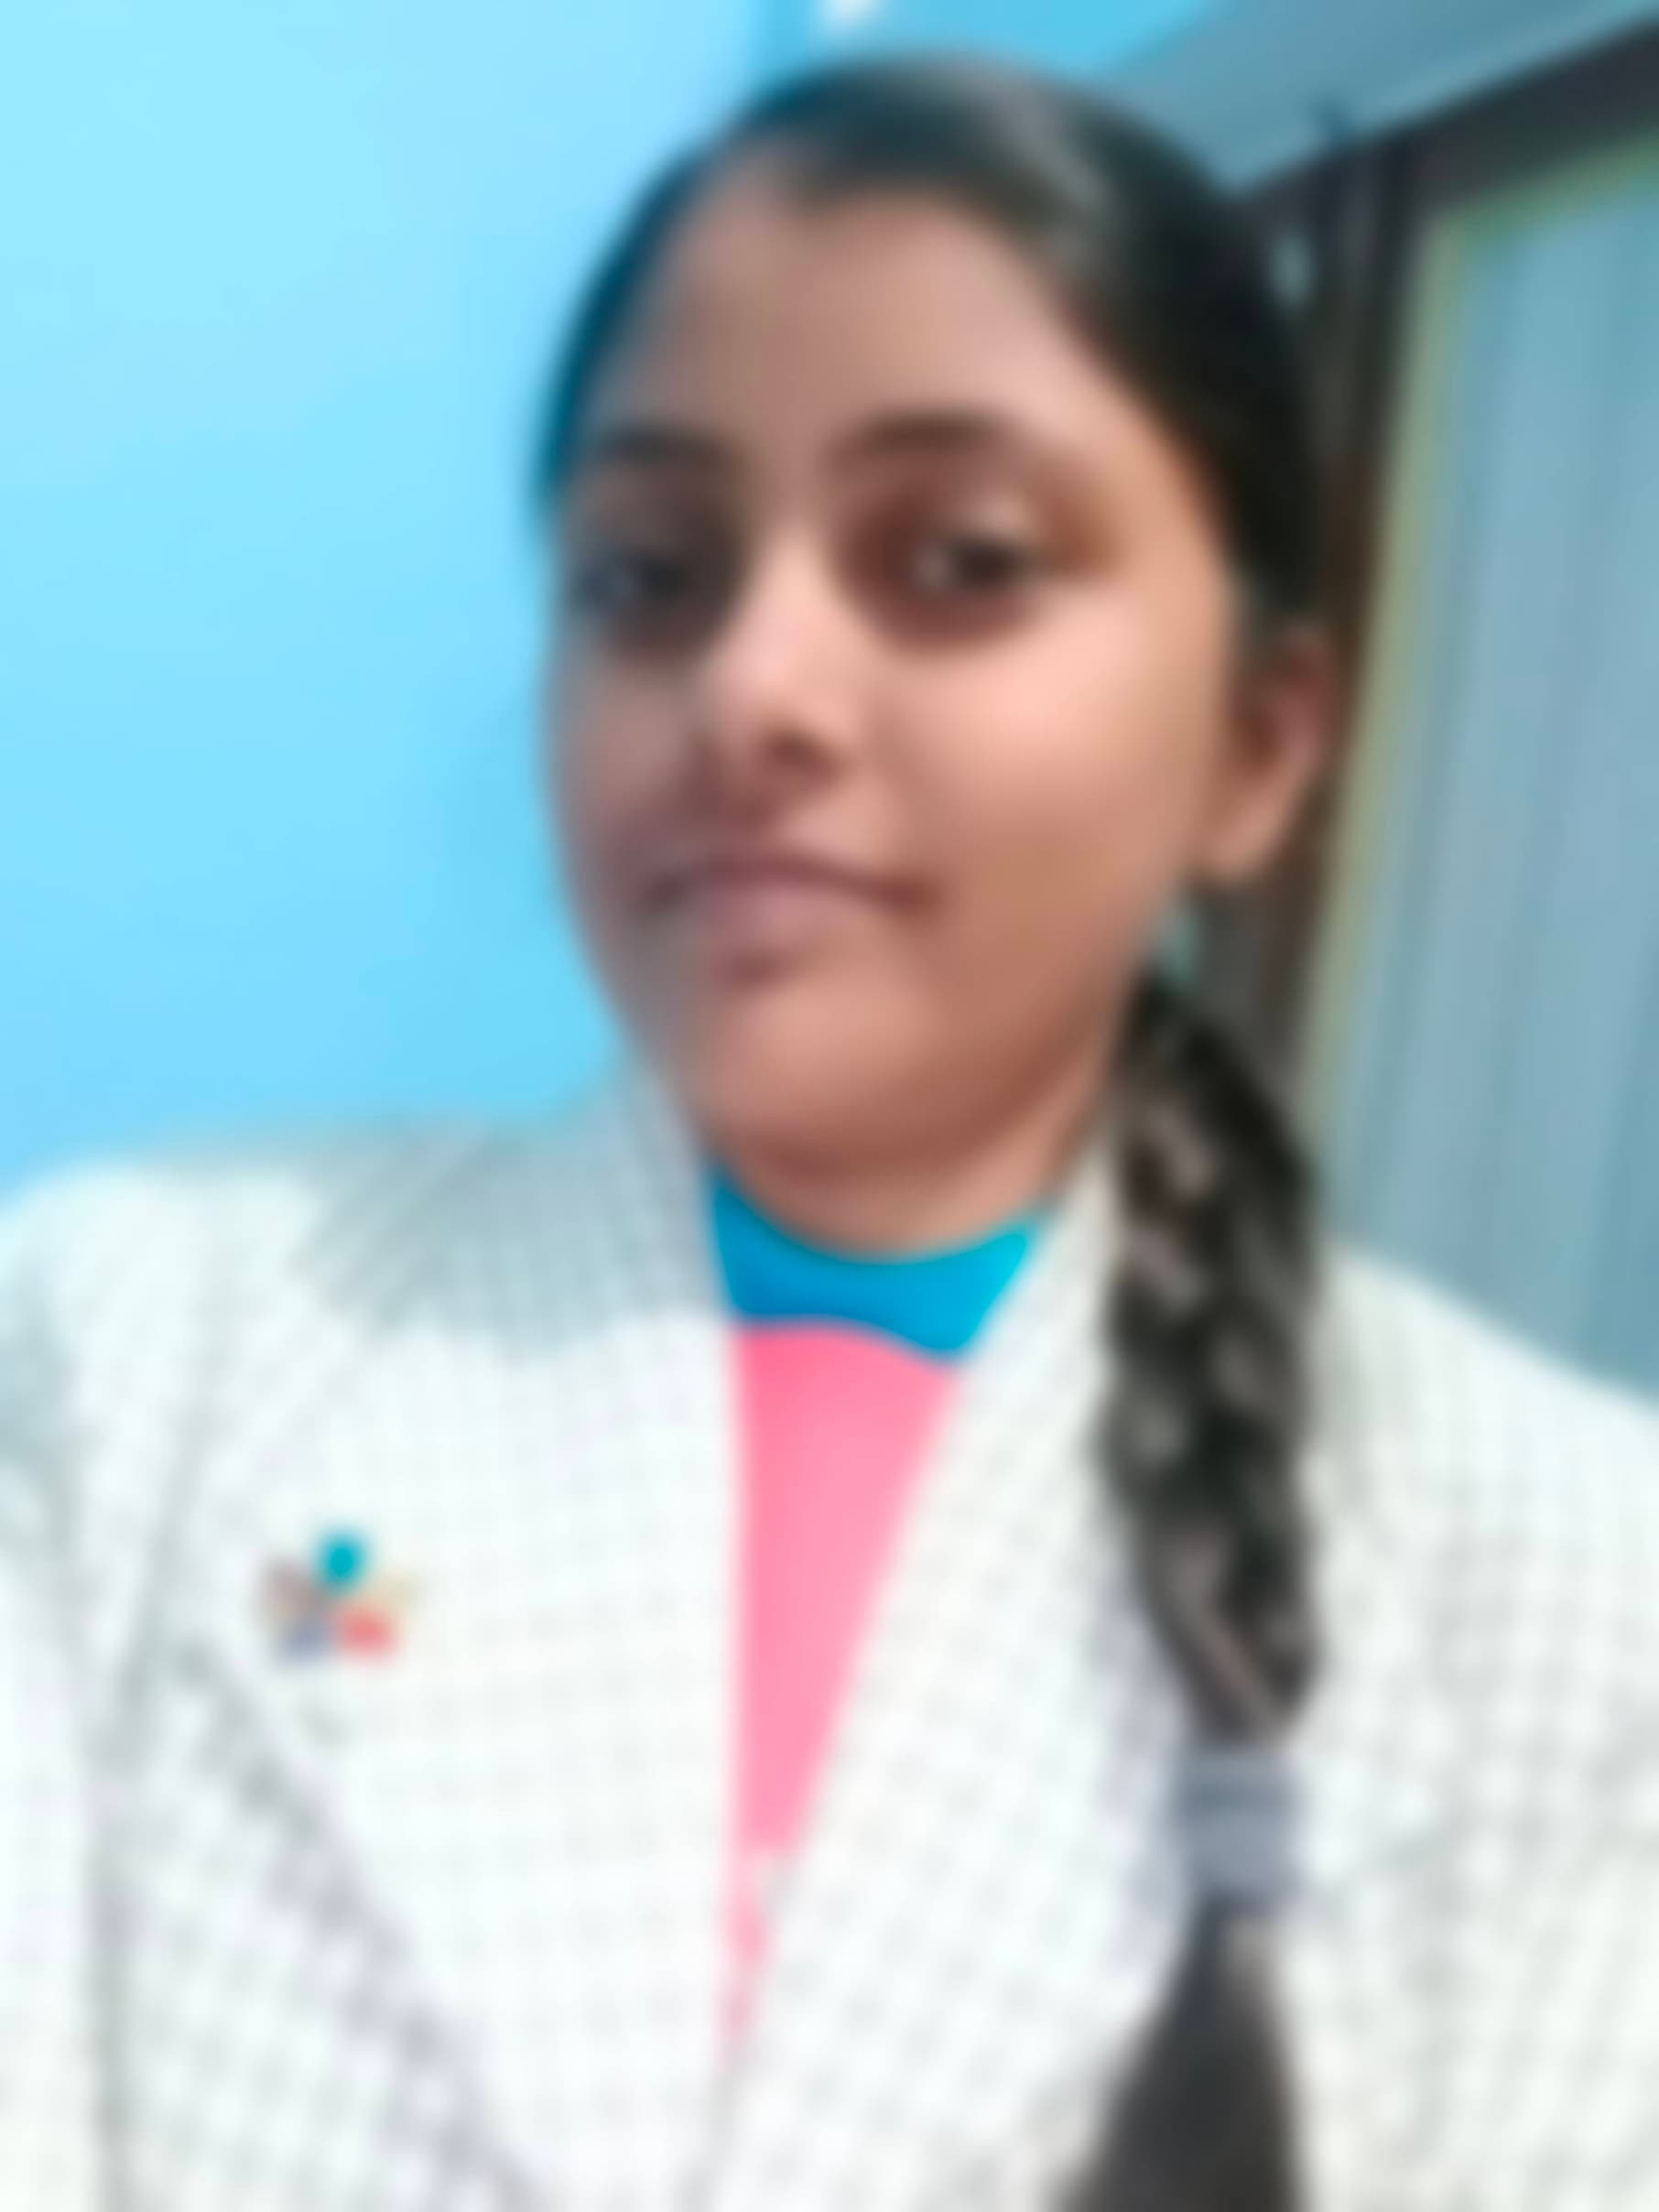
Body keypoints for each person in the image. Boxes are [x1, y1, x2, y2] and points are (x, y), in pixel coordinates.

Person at [3, 54, 1657, 2212]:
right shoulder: (122, 1345)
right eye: (648, 574)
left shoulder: (1581, 1582)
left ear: (1259, 745)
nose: (753, 687)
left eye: (960, 559)